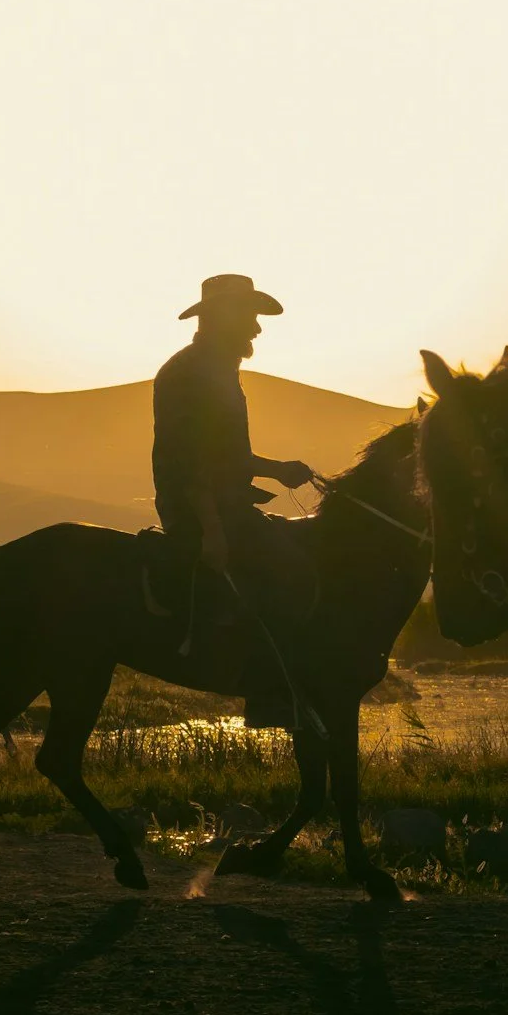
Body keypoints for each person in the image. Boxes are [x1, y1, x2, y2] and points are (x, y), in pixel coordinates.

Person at [153, 273, 318, 711]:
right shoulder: (193, 373)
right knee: (290, 570)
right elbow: (193, 464)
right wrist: (212, 529)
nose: (257, 329)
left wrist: (276, 469)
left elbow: (225, 454)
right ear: (224, 317)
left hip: (221, 503)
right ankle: (271, 689)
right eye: (249, 317)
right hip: (202, 508)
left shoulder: (213, 369)